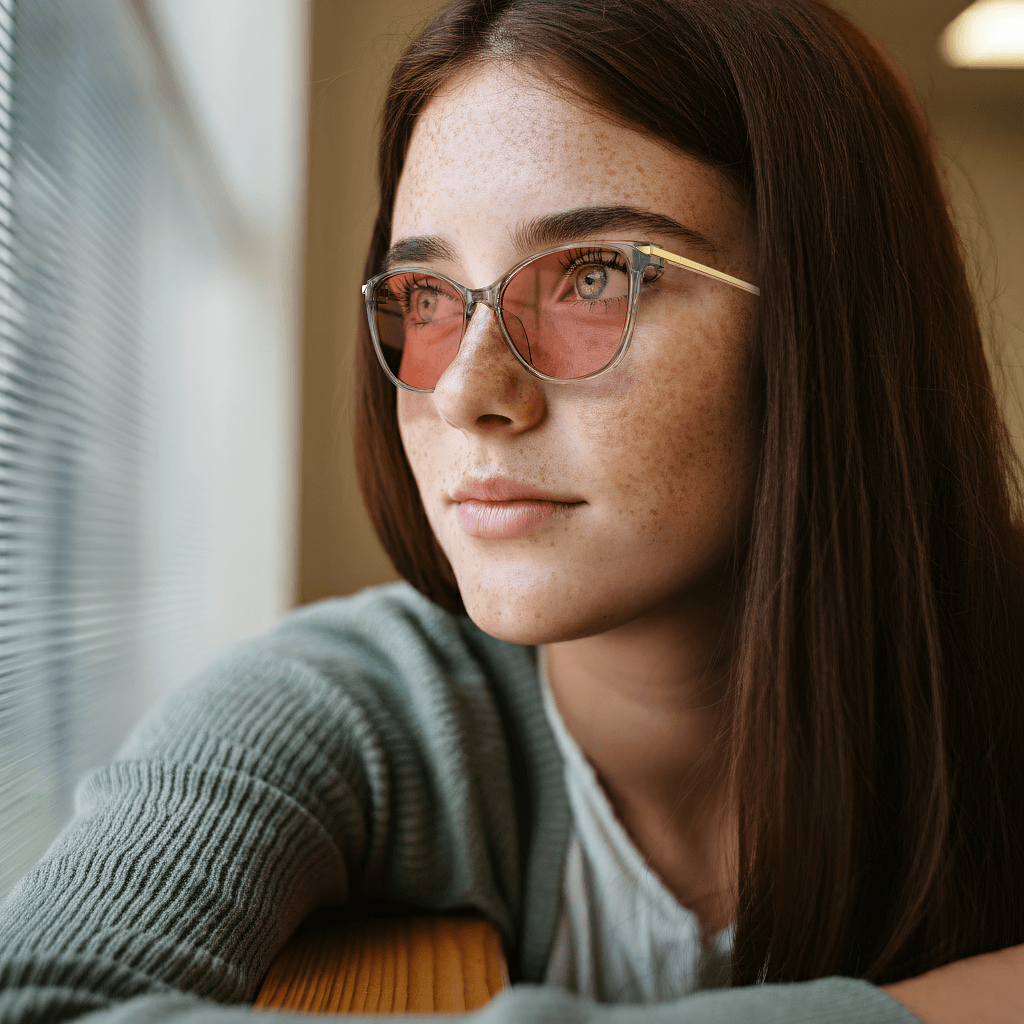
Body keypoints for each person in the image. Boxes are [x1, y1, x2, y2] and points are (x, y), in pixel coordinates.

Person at [1, 1, 1023, 1023]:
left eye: (590, 276)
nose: (463, 391)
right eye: (428, 294)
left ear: (829, 314)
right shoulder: (359, 706)